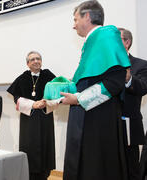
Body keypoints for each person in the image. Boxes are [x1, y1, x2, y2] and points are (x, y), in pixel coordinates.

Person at [60, 1, 131, 180]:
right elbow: (88, 80)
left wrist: (78, 99)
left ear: (88, 16)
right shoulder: (91, 41)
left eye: (76, 19)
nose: (73, 24)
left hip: (99, 121)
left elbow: (114, 83)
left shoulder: (107, 35)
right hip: (86, 118)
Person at [7, 51, 56, 180]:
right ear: (28, 63)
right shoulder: (22, 78)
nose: (36, 61)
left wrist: (45, 102)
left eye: (38, 59)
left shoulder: (48, 75)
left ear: (41, 61)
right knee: (30, 146)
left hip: (45, 117)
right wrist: (33, 105)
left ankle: (45, 174)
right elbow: (16, 98)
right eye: (32, 59)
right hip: (29, 119)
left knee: (46, 145)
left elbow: (58, 94)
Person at [118, 28, 147, 180]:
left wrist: (128, 78)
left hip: (129, 125)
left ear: (127, 42)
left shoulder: (141, 65)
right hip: (107, 126)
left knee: (131, 171)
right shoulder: (104, 66)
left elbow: (142, 88)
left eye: (117, 40)